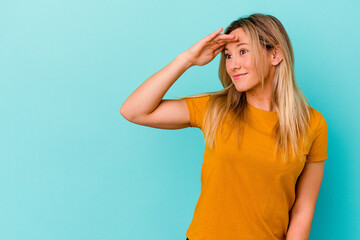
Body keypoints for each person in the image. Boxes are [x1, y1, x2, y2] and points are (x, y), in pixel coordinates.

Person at [120, 13, 328, 240]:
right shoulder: (215, 109)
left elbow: (303, 210)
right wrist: (187, 59)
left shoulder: (312, 124)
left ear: (275, 55)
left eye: (243, 51)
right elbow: (133, 111)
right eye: (228, 56)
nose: (233, 65)